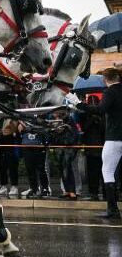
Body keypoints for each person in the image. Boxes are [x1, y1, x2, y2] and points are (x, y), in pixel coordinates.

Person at [67, 66, 122, 219]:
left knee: (108, 172)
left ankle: (113, 210)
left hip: (114, 138)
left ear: (105, 79)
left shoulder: (110, 92)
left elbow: (99, 110)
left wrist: (79, 104)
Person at [49, 108, 79, 200]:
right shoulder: (54, 121)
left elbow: (74, 134)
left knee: (68, 169)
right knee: (62, 169)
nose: (53, 114)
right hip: (58, 147)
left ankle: (72, 191)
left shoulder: (69, 120)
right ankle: (67, 190)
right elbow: (52, 134)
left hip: (67, 147)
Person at [80, 94, 106, 201]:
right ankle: (93, 192)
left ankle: (105, 192)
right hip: (90, 148)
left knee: (104, 172)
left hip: (102, 147)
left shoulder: (103, 114)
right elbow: (83, 129)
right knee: (92, 172)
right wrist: (91, 120)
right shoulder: (85, 115)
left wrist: (98, 120)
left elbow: (104, 129)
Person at [19, 120, 51, 199]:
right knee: (30, 169)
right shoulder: (24, 119)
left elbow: (45, 130)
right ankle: (34, 189)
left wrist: (30, 128)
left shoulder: (40, 120)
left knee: (41, 169)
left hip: (39, 147)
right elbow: (20, 130)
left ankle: (45, 188)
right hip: (27, 147)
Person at [0, 120, 20, 197]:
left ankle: (14, 186)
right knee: (1, 165)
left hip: (11, 141)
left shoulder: (12, 119)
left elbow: (14, 127)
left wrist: (9, 124)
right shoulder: (1, 118)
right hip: (1, 140)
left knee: (12, 165)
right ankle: (3, 186)